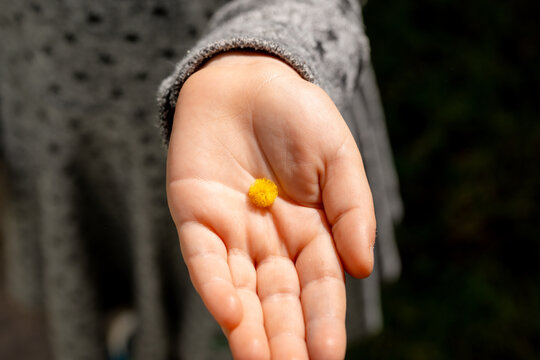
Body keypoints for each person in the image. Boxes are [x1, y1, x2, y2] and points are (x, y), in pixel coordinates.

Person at [0, 1, 402, 359]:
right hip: (54, 105)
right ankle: (140, 331)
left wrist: (266, 45)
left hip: (257, 122)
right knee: (115, 265)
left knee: (232, 299)